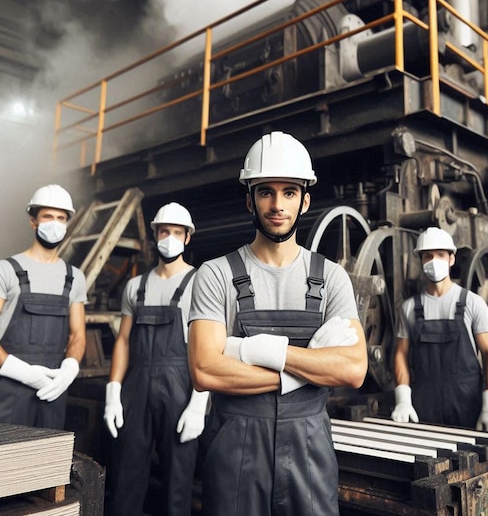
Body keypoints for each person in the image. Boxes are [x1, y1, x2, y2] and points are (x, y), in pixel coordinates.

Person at [188, 131, 368, 516]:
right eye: (265, 191)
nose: (277, 204)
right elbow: (205, 370)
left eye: (289, 192)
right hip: (236, 447)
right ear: (249, 198)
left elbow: (353, 369)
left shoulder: (331, 277)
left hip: (309, 447)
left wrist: (257, 352)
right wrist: (308, 368)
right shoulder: (215, 275)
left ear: (305, 200)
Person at [104, 202, 208, 516]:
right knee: (126, 475)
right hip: (137, 386)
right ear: (155, 235)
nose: (170, 238)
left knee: (178, 482)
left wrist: (199, 403)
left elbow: (209, 347)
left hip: (181, 387)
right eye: (165, 231)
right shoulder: (136, 287)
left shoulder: (200, 283)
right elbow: (123, 341)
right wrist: (113, 393)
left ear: (188, 238)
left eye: (178, 233)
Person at [391, 226, 488, 431]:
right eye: (428, 256)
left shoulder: (473, 303)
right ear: (421, 260)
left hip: (468, 403)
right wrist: (403, 399)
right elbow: (400, 355)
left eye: (441, 255)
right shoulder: (409, 308)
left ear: (452, 259)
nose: (434, 261)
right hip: (424, 403)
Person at [0, 184, 86, 430]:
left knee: (47, 462)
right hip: (8, 388)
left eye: (61, 218)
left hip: (53, 386)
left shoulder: (74, 277)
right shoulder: (6, 270)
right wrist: (21, 372)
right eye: (48, 216)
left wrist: (69, 368)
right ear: (33, 221)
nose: (55, 223)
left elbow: (78, 335)